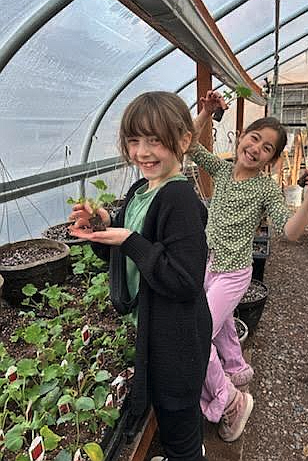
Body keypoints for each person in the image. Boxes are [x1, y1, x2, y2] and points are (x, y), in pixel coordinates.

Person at [69, 91, 212, 461]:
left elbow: (184, 280)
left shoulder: (179, 200)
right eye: (134, 140)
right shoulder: (140, 191)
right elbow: (125, 244)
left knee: (177, 422)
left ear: (183, 140)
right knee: (170, 418)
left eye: (155, 140)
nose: (142, 151)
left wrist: (129, 240)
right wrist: (101, 225)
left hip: (178, 340)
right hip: (157, 333)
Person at [190, 90, 308, 443]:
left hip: (234, 273)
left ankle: (233, 402)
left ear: (271, 159)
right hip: (210, 264)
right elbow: (188, 145)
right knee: (219, 327)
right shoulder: (221, 169)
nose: (256, 148)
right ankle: (236, 370)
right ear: (242, 137)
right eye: (254, 138)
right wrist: (206, 111)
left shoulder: (266, 189)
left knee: (195, 333)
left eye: (267, 148)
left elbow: (290, 232)